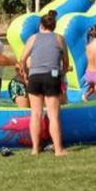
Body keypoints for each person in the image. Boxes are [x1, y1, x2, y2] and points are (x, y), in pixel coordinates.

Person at [22, 10, 72, 156]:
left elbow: (23, 59)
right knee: (53, 115)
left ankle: (35, 149)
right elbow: (66, 62)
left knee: (36, 114)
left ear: (41, 25)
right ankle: (58, 150)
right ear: (53, 26)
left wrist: (26, 74)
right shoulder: (59, 39)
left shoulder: (33, 38)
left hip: (35, 77)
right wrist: (62, 74)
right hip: (52, 76)